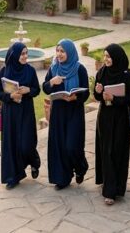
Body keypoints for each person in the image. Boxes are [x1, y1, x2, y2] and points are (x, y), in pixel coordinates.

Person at [43, 39, 90, 190]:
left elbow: (86, 92)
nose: (59, 54)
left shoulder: (79, 69)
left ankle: (81, 167)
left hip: (74, 112)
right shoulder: (54, 68)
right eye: (57, 51)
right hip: (58, 113)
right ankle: (62, 179)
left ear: (69, 52)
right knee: (59, 146)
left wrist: (75, 97)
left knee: (72, 146)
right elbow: (45, 88)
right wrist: (52, 82)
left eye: (62, 51)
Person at [0, 42, 41, 189]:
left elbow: (36, 90)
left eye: (26, 53)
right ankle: (13, 177)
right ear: (14, 55)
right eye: (22, 54)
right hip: (10, 114)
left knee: (26, 144)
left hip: (26, 111)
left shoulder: (30, 71)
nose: (25, 56)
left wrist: (28, 91)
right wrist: (10, 96)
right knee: (11, 144)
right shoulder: (4, 71)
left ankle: (34, 161)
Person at [93, 43, 130, 205]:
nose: (106, 59)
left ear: (116, 57)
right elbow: (97, 97)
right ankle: (109, 190)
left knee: (117, 150)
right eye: (105, 56)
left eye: (109, 57)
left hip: (120, 118)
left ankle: (117, 187)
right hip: (104, 117)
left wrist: (114, 99)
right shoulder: (102, 72)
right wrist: (97, 92)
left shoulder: (126, 75)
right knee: (106, 150)